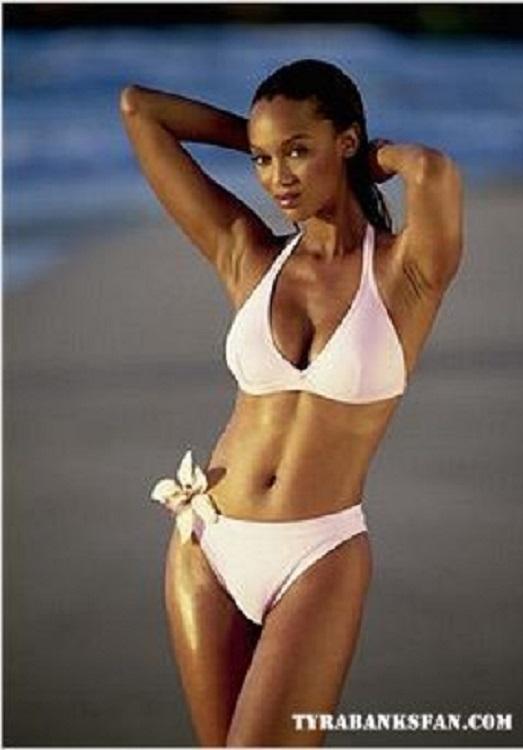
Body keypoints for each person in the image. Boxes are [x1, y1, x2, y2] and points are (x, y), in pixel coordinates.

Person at [120, 58, 463, 747]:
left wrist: (373, 158)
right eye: (262, 160)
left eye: (298, 152)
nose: (278, 177)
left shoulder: (406, 272)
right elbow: (140, 109)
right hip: (207, 543)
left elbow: (429, 170)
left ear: (347, 142)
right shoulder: (247, 254)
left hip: (319, 555)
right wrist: (265, 137)